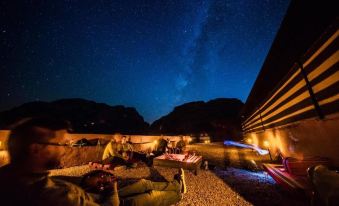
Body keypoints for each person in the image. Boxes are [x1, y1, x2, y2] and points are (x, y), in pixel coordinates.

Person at [0, 117, 186, 206]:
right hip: (105, 199)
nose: (65, 148)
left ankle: (174, 185)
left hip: (93, 191)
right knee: (147, 196)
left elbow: (55, 181)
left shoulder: (16, 176)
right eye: (59, 143)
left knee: (142, 182)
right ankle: (177, 191)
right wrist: (112, 188)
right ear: (36, 149)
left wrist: (84, 181)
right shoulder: (52, 197)